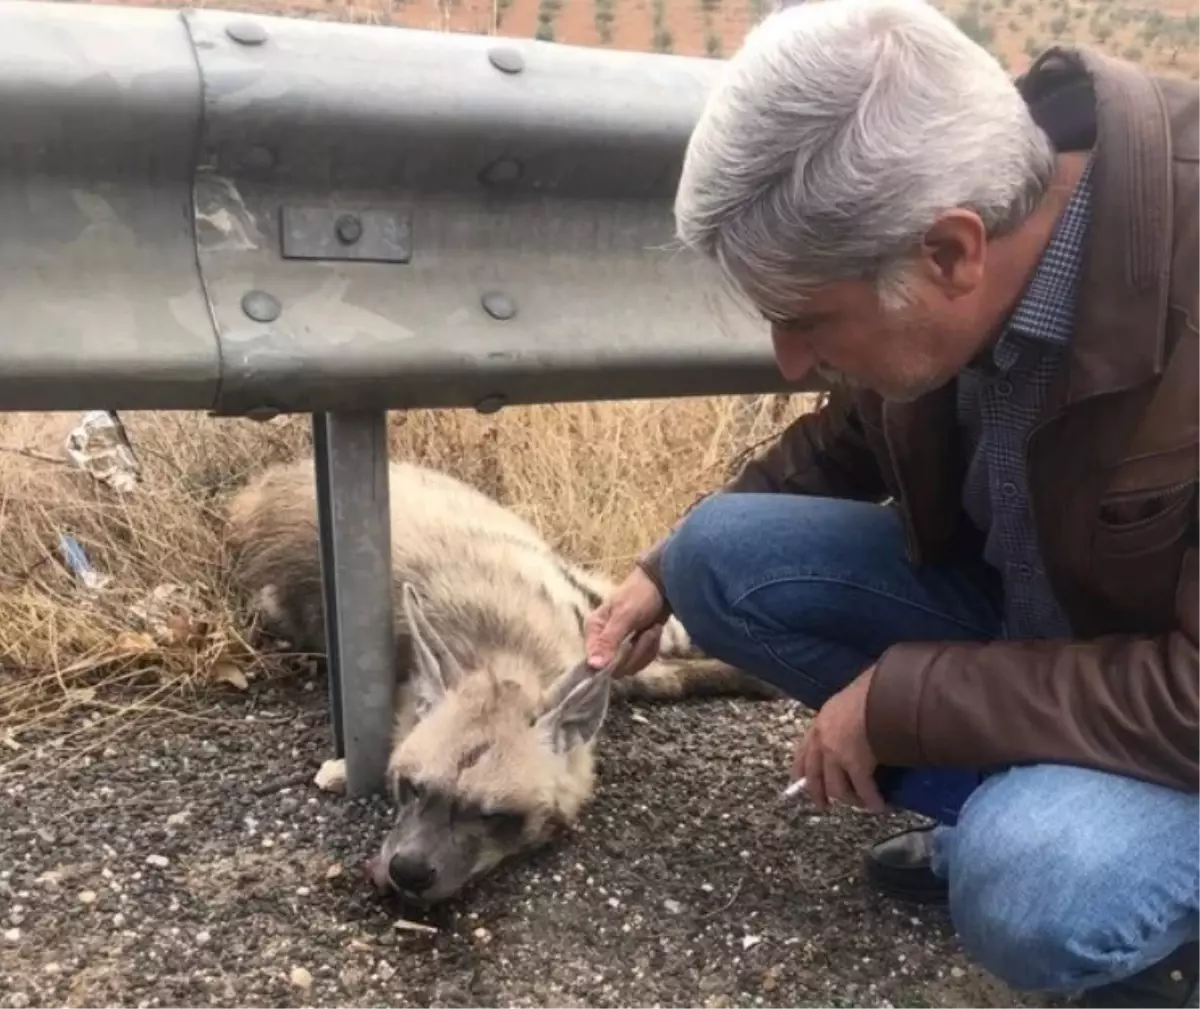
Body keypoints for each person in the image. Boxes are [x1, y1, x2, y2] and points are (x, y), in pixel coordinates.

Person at [582, 1, 1200, 1005]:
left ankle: (1129, 908)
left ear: (952, 254)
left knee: (1035, 884)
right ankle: (1021, 799)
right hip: (1061, 638)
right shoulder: (977, 214)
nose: (785, 360)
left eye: (806, 318)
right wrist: (663, 563)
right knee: (716, 554)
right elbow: (862, 426)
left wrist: (907, 698)